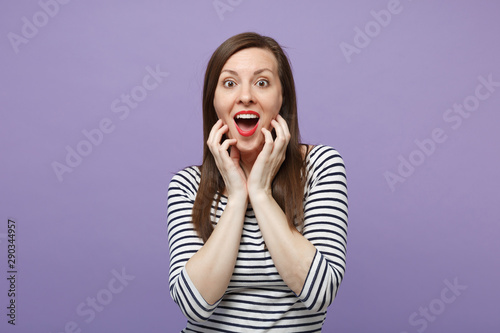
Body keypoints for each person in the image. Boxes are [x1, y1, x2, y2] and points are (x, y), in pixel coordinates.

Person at [167, 32, 348, 332]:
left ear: (282, 97)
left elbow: (320, 293)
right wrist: (237, 197)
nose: (246, 96)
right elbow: (194, 305)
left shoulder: (319, 167)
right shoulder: (188, 185)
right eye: (229, 83)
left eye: (262, 82)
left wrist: (261, 193)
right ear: (213, 101)